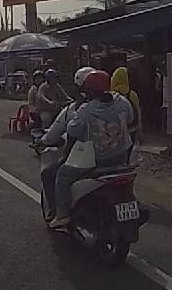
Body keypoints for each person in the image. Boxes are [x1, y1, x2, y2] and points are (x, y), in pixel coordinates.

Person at [50, 70, 134, 229]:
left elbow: (72, 130)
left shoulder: (86, 110)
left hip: (96, 160)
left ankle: (62, 215)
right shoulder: (123, 101)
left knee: (62, 176)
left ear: (89, 91)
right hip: (122, 156)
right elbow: (130, 119)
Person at [38, 66, 95, 222]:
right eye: (53, 78)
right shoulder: (118, 103)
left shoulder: (80, 110)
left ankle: (60, 213)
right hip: (115, 157)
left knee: (51, 174)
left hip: (86, 158)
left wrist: (43, 141)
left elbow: (68, 132)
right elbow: (42, 98)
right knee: (45, 118)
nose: (54, 80)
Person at [111, 67, 142, 155]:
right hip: (131, 129)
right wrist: (140, 131)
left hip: (117, 130)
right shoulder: (132, 94)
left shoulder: (111, 95)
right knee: (129, 152)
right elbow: (138, 113)